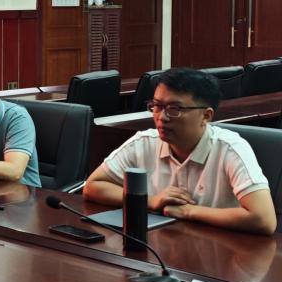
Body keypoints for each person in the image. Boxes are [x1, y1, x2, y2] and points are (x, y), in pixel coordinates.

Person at [84, 67, 276, 235]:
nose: (162, 117)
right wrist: (151, 201)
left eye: (174, 109)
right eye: (157, 106)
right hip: (160, 247)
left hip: (222, 252)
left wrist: (188, 211)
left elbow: (264, 219)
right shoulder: (144, 142)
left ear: (206, 116)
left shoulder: (230, 149)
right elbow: (93, 186)